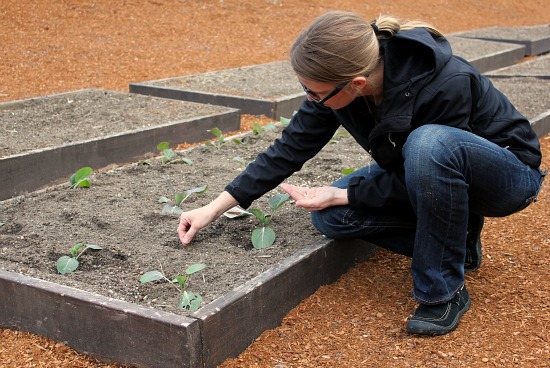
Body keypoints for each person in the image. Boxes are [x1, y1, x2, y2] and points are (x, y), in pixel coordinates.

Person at [178, 11, 545, 336]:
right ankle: (461, 242)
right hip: (430, 174)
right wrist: (211, 209)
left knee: (428, 144)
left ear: (355, 83)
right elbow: (287, 150)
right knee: (332, 217)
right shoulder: (335, 87)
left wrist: (345, 191)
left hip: (507, 177)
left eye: (314, 92)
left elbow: (433, 164)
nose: (309, 97)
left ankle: (444, 292)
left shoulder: (445, 83)